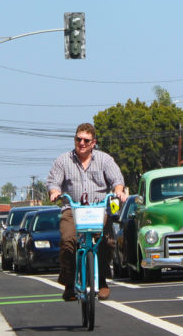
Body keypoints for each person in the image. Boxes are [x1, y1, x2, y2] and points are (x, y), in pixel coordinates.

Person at [47, 123, 127, 302]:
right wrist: (54, 192)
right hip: (72, 209)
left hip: (98, 209)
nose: (81, 143)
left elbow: (117, 179)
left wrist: (119, 190)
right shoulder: (63, 160)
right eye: (78, 139)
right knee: (68, 240)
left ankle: (103, 281)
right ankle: (69, 284)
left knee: (107, 242)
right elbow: (53, 182)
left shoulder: (104, 160)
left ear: (93, 143)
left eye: (86, 140)